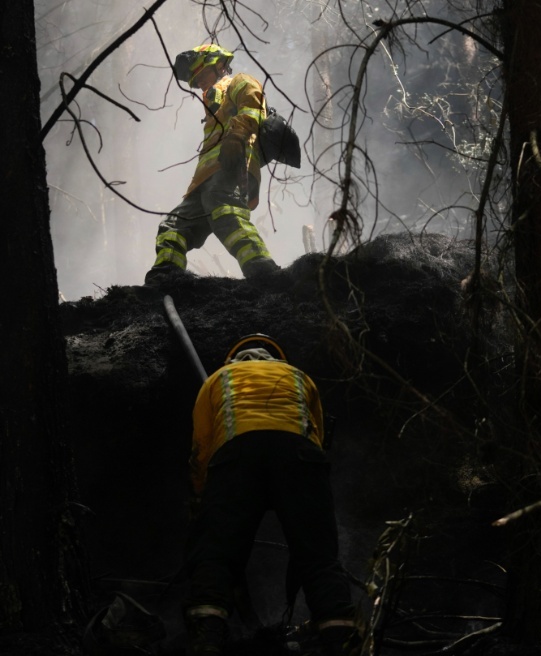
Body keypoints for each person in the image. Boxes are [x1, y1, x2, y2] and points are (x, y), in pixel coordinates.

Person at [183, 334, 358, 656]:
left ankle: (206, 636)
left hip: (236, 459)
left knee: (217, 553)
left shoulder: (218, 379)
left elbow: (202, 445)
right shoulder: (299, 377)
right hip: (300, 459)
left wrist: (199, 494)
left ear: (233, 359)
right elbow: (317, 437)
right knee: (319, 556)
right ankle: (340, 638)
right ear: (277, 358)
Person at [145, 45, 281, 284]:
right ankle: (165, 278)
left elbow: (253, 107)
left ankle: (263, 271)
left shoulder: (239, 81)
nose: (200, 83)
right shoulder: (213, 110)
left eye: (202, 75)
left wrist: (237, 136)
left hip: (233, 166)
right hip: (205, 181)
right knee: (173, 227)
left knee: (226, 212)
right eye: (196, 81)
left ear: (219, 66)